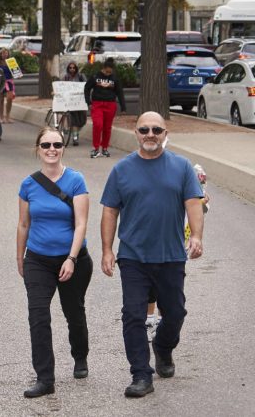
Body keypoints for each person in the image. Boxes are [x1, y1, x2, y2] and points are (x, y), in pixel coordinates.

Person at [100, 112, 204, 398]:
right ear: (136, 133)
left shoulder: (181, 166)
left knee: (175, 312)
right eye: (144, 129)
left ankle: (163, 347)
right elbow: (110, 211)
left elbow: (193, 203)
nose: (150, 134)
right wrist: (107, 250)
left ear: (165, 132)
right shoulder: (122, 170)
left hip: (170, 256)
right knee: (133, 315)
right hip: (133, 257)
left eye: (156, 129)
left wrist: (196, 236)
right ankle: (141, 375)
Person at [17, 126, 93, 398]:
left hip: (73, 259)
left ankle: (80, 355)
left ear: (63, 148)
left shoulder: (75, 180)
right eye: (46, 145)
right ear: (38, 149)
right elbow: (24, 224)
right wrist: (20, 258)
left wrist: (71, 258)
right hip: (38, 259)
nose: (52, 150)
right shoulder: (28, 184)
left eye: (57, 145)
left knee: (73, 312)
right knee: (38, 315)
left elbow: (81, 224)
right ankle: (45, 378)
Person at [84, 57, 126, 158]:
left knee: (107, 128)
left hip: (110, 104)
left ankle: (105, 148)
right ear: (103, 68)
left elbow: (119, 92)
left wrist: (123, 106)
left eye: (110, 72)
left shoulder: (114, 78)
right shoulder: (95, 76)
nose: (108, 74)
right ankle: (96, 148)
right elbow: (87, 88)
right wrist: (88, 102)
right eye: (106, 72)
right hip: (97, 104)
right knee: (98, 125)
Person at [63, 62, 87, 146]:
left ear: (76, 68)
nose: (72, 69)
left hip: (80, 102)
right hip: (71, 102)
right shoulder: (66, 77)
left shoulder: (81, 76)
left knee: (82, 120)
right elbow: (63, 87)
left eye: (73, 68)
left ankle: (75, 132)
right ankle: (75, 137)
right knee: (74, 121)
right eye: (70, 68)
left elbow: (86, 86)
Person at [0, 48, 15, 123]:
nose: (5, 54)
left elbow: (15, 72)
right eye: (3, 53)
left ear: (8, 54)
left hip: (9, 82)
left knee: (9, 99)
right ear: (0, 55)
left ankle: (7, 116)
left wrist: (17, 75)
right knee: (1, 100)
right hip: (0, 83)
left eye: (6, 53)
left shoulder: (11, 62)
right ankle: (0, 117)